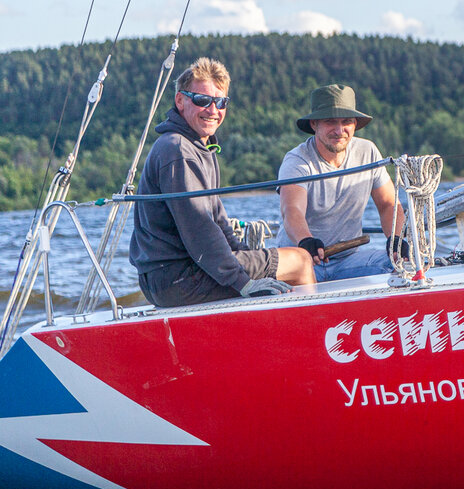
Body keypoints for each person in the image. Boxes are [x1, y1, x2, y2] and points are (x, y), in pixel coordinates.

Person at [129, 58, 315, 307]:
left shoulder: (201, 148)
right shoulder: (178, 150)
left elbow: (217, 220)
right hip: (178, 279)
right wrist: (243, 283)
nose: (213, 110)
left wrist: (244, 257)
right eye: (202, 100)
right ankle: (307, 337)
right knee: (301, 260)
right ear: (180, 101)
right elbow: (199, 229)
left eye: (221, 102)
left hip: (175, 276)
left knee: (283, 261)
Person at [277, 84, 406, 281]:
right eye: (330, 122)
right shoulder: (297, 160)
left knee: (407, 266)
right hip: (303, 262)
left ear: (355, 124)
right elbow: (292, 210)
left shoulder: (368, 151)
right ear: (314, 124)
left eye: (346, 121)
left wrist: (396, 239)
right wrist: (306, 241)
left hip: (349, 260)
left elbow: (389, 204)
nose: (339, 130)